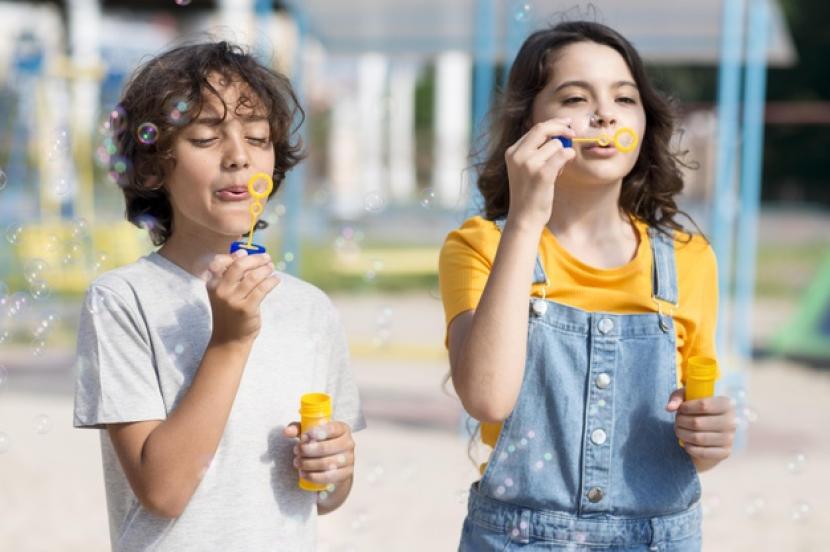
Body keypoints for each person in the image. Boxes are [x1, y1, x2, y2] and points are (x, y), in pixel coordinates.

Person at [439, 21, 736, 551]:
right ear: (525, 125)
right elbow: (486, 398)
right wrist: (526, 220)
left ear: (644, 122)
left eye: (625, 98)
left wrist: (709, 441)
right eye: (575, 97)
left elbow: (695, 435)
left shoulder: (691, 260)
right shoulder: (480, 245)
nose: (605, 114)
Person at [73, 41, 365, 551]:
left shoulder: (308, 308)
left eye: (257, 137)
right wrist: (229, 341)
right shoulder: (122, 301)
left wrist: (335, 468)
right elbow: (163, 491)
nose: (238, 157)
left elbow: (326, 495)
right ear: (151, 168)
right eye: (206, 138)